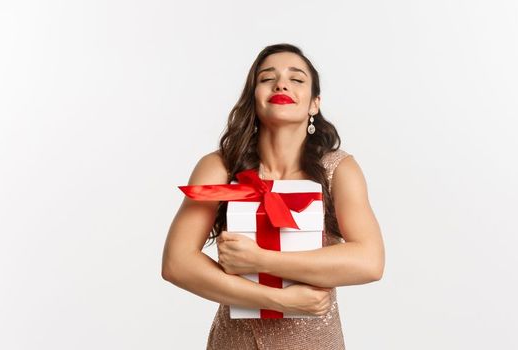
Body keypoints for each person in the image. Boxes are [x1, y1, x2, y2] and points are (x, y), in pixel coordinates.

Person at [161, 43, 385, 349]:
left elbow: (369, 261)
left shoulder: (339, 169)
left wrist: (260, 260)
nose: (281, 83)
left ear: (314, 103)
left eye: (297, 79)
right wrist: (280, 300)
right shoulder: (219, 167)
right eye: (267, 78)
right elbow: (177, 263)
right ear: (253, 98)